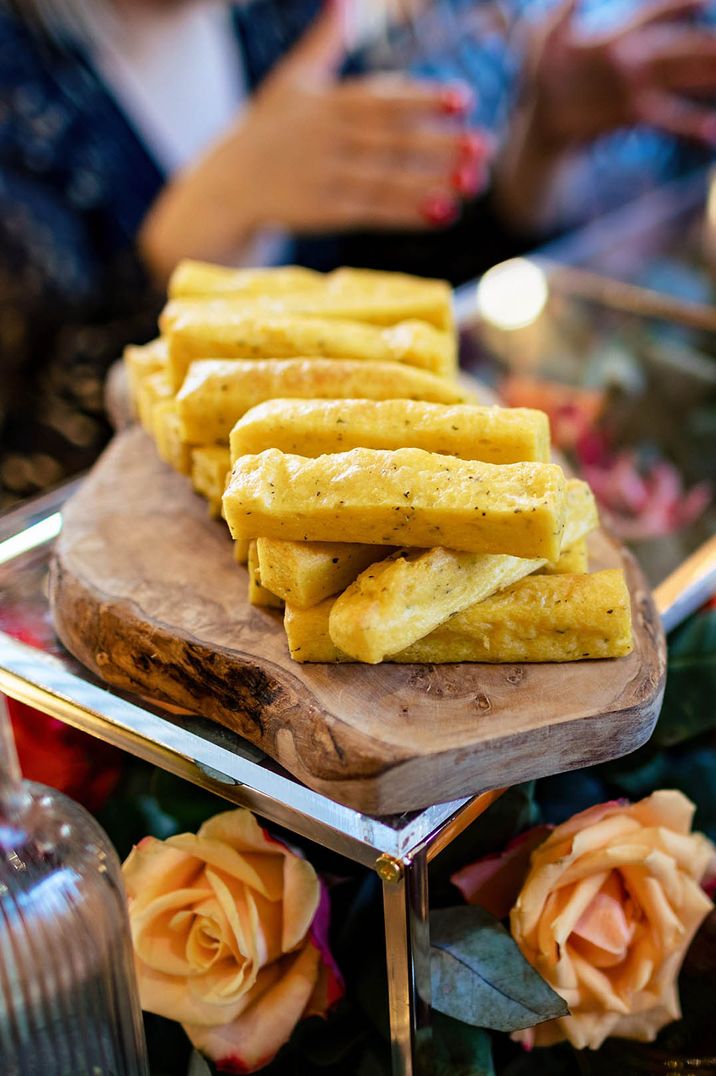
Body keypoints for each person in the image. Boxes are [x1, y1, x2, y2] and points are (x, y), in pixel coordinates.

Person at [0, 0, 487, 505]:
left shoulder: (281, 20)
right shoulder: (18, 99)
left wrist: (542, 156)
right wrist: (180, 252)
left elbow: (408, 284)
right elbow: (22, 493)